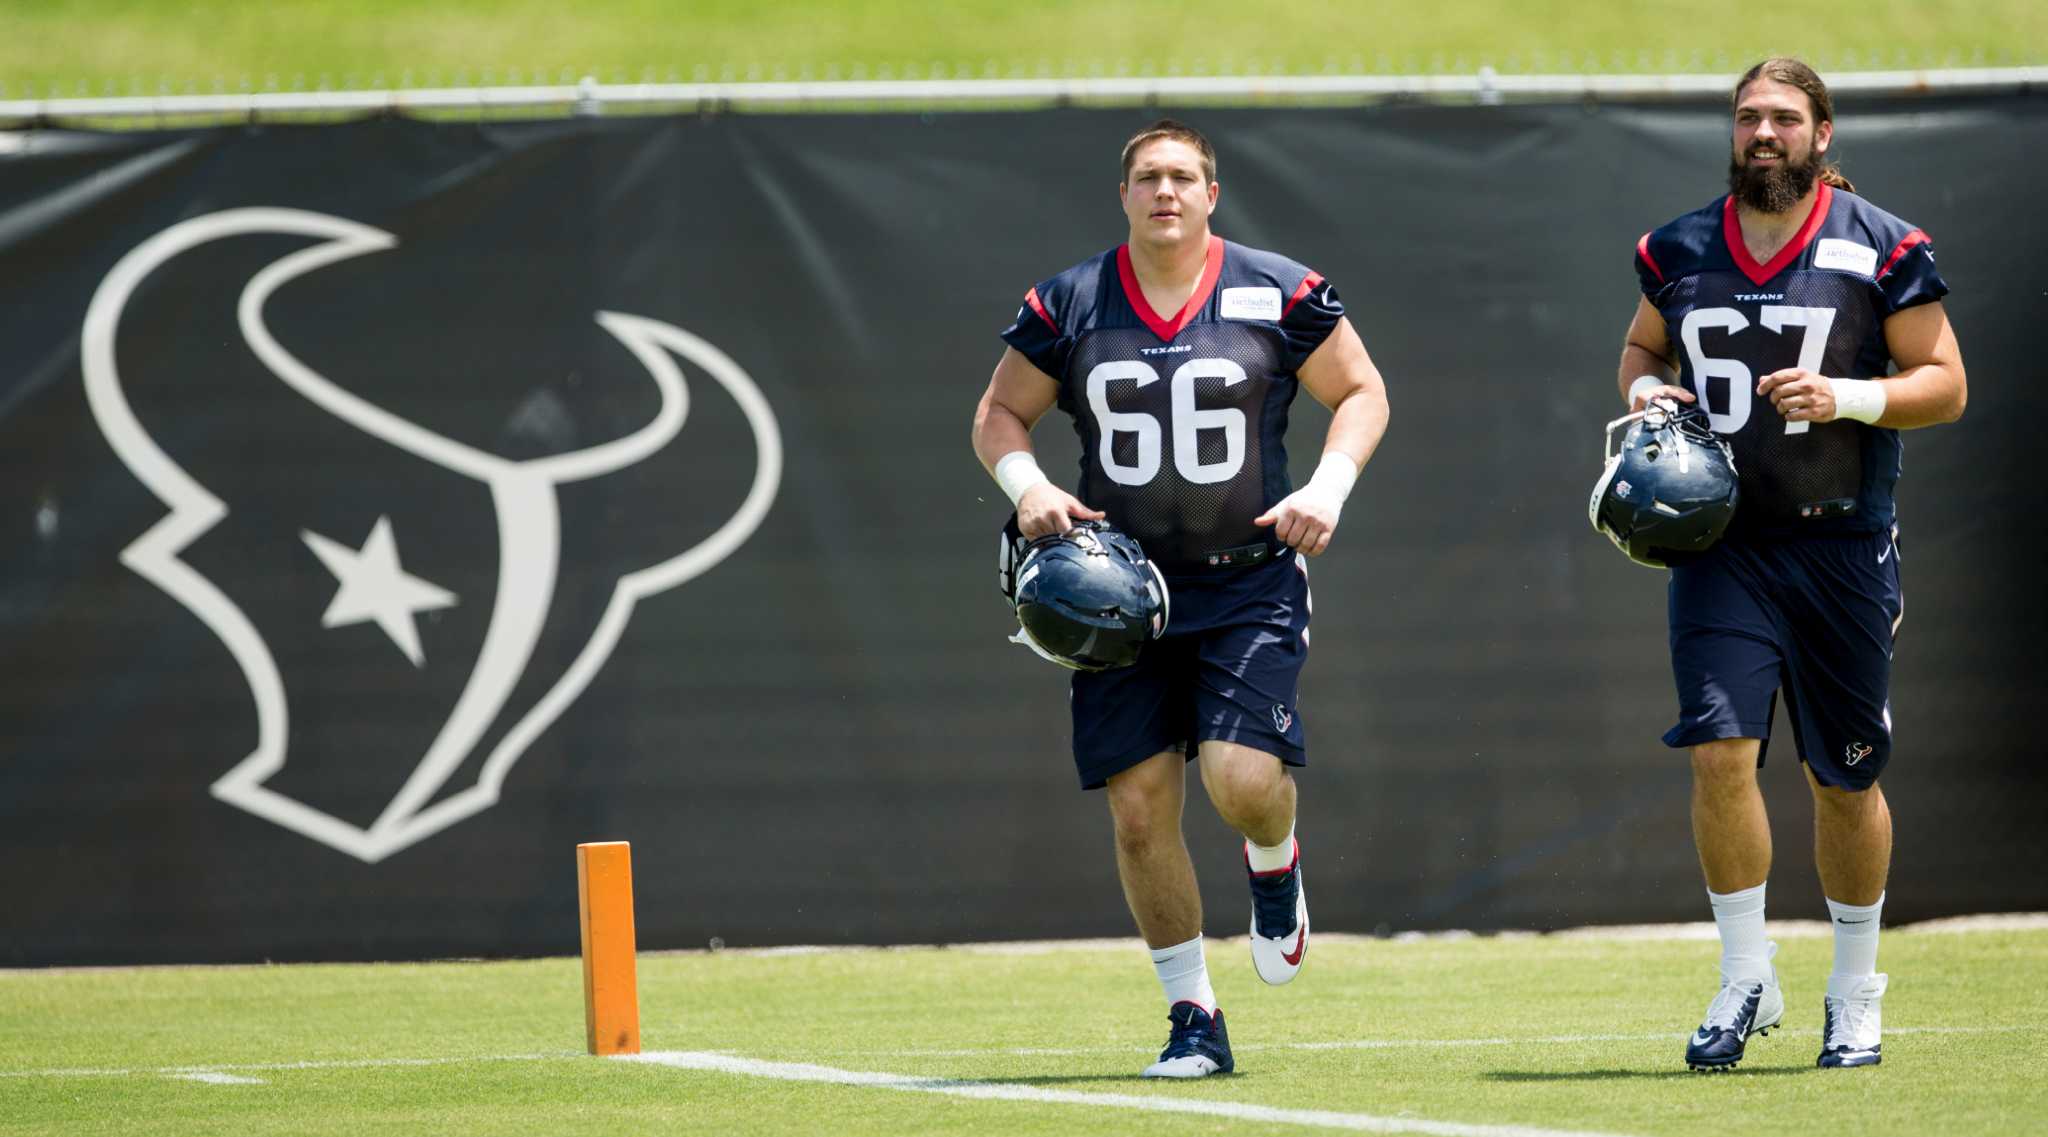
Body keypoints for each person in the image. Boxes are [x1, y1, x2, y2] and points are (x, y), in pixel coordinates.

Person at [970, 119, 1389, 1078]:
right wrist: (1028, 487)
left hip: (1247, 582)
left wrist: (1327, 488)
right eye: (1148, 177)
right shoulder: (1070, 301)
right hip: (1117, 591)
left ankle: (1274, 859)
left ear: (1212, 194)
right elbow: (999, 412)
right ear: (1124, 196)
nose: (1165, 191)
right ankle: (1193, 1014)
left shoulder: (1277, 287)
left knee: (1241, 782)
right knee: (1137, 809)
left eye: (1183, 177)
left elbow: (1361, 390)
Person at [1617, 59, 1966, 1071]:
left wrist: (1848, 399)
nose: (1760, 132)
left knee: (1841, 780)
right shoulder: (1676, 248)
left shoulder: (1881, 245)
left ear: (1820, 133)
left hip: (1839, 543)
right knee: (1718, 751)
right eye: (1745, 117)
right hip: (1719, 545)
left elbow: (1942, 384)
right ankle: (1743, 975)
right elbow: (1639, 354)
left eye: (1781, 117)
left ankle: (1853, 990)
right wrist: (1647, 397)